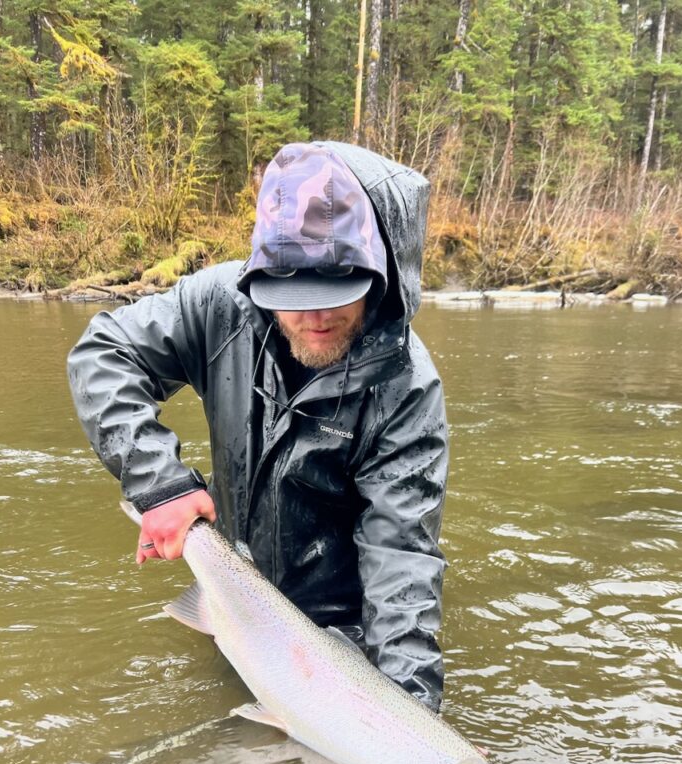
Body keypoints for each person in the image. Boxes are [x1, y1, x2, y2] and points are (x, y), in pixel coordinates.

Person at [67, 141, 448, 711]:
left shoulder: (407, 389)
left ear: (381, 274)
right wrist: (159, 484)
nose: (314, 318)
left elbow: (402, 557)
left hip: (342, 632)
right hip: (236, 583)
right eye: (294, 296)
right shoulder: (219, 306)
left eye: (337, 293)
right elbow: (105, 354)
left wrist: (414, 714)